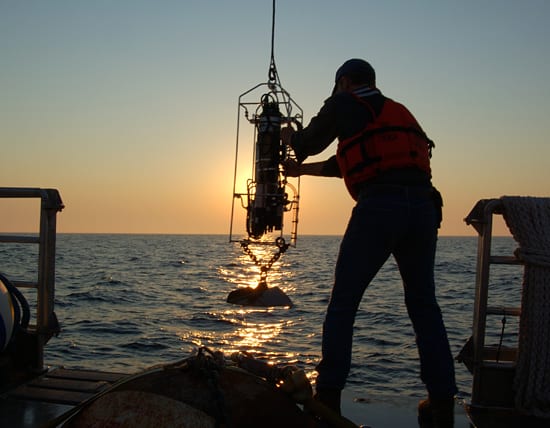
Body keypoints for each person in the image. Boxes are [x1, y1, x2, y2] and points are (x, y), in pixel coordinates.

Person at [280, 59, 457, 427]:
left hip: (380, 207)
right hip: (423, 209)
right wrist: (303, 173)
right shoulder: (396, 111)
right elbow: (352, 159)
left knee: (344, 303)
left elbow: (307, 143)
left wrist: (286, 138)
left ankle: (328, 398)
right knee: (424, 305)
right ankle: (441, 404)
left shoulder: (344, 102)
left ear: (344, 82)